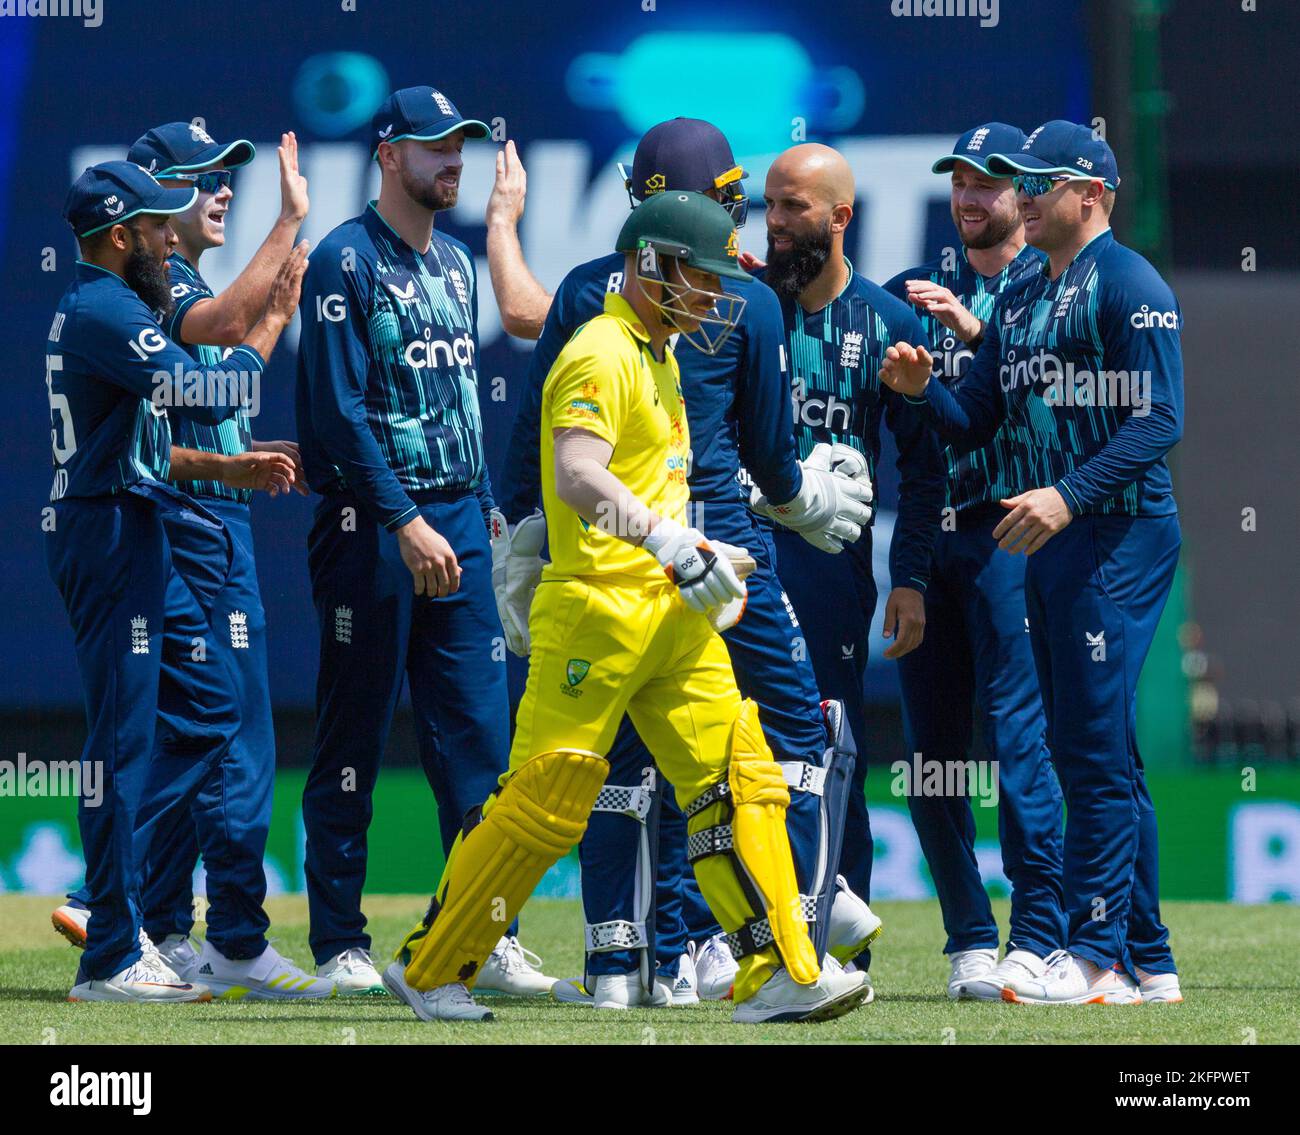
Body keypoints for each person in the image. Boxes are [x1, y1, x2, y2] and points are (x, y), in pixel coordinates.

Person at [384, 189, 871, 1024]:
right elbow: (575, 474)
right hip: (597, 612)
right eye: (703, 276)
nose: (717, 297)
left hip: (671, 614)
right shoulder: (598, 351)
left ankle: (781, 969)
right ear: (649, 263)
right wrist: (663, 540)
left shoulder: (660, 354)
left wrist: (703, 547)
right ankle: (432, 967)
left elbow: (651, 481)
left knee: (737, 778)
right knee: (543, 798)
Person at [878, 121, 1184, 1004]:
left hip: (1114, 530)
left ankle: (1096, 956)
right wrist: (919, 389)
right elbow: (977, 415)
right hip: (1057, 535)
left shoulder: (1129, 281)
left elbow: (1161, 421)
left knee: (1084, 749)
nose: (1022, 192)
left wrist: (1067, 493)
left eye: (1038, 180)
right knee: (1101, 751)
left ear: (1090, 195)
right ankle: (1148, 956)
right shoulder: (1029, 289)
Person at [51, 123, 332, 1000]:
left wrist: (228, 460)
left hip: (127, 522)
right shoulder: (105, 307)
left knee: (201, 715)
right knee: (130, 740)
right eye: (158, 225)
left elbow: (162, 432)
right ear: (121, 234)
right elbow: (205, 388)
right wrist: (269, 328)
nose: (171, 238)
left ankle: (121, 907)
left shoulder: (117, 303)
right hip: (109, 532)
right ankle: (110, 942)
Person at [294, 85, 553, 996]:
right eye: (437, 147)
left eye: (465, 148)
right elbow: (338, 413)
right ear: (390, 153)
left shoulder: (454, 262)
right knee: (352, 739)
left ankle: (484, 936)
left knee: (481, 743)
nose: (455, 162)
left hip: (458, 521)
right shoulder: (341, 261)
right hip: (371, 526)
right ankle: (338, 946)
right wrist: (403, 520)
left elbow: (459, 403)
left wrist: (481, 508)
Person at [751, 143, 947, 977]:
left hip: (833, 576)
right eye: (769, 203)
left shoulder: (890, 323)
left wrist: (911, 578)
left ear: (840, 217)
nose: (776, 222)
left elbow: (927, 465)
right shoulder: (743, 308)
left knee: (829, 752)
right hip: (737, 559)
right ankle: (724, 943)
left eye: (795, 207)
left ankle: (841, 939)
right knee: (728, 749)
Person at [880, 123, 1066, 1001]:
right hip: (928, 535)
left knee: (1021, 742)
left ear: (1023, 194)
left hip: (1014, 537)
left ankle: (1038, 935)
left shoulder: (1048, 285)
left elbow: (1048, 393)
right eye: (959, 183)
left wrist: (979, 328)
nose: (971, 200)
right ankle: (968, 939)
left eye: (989, 184)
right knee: (929, 755)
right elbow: (836, 320)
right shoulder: (914, 291)